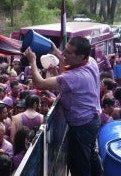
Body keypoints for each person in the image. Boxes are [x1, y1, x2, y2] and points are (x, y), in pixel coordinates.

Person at [24, 36, 103, 175]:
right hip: (92, 120)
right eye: (64, 50)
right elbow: (68, 61)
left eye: (68, 52)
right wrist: (55, 51)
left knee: (79, 165)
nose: (64, 54)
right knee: (91, 155)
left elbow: (39, 83)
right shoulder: (90, 62)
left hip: (81, 126)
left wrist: (32, 61)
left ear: (81, 56)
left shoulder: (74, 77)